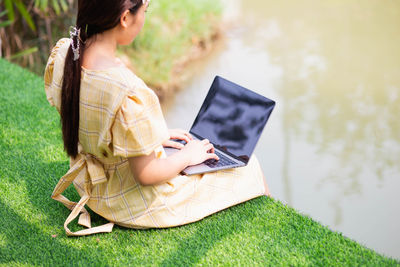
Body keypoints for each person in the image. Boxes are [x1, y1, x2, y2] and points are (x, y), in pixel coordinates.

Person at [44, 0, 270, 236]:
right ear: (124, 18)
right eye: (145, 10)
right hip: (128, 203)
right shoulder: (128, 91)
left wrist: (151, 137)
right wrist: (186, 156)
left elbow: (98, 123)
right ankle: (266, 230)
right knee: (249, 164)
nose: (144, 17)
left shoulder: (65, 54)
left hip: (91, 187)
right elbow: (147, 175)